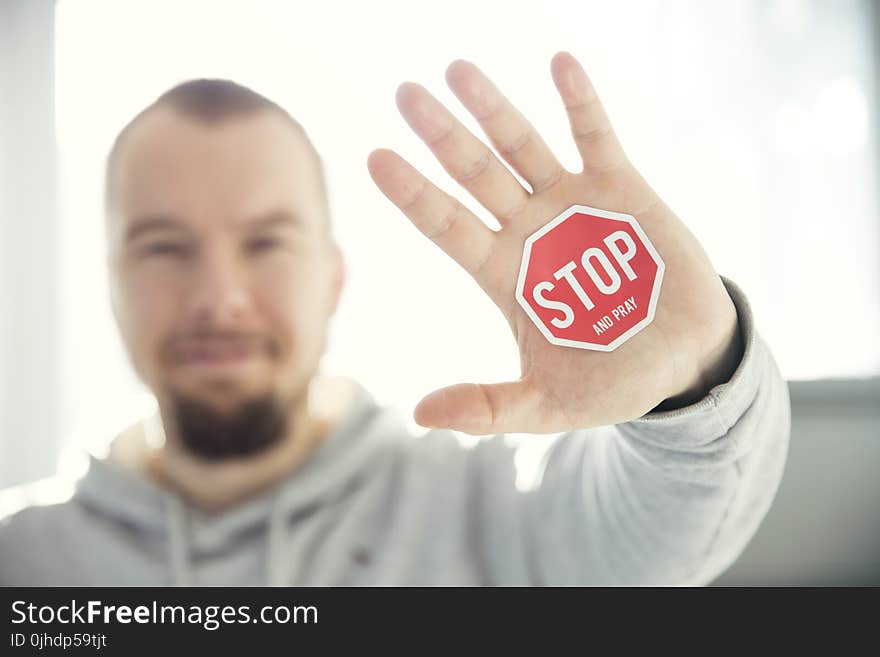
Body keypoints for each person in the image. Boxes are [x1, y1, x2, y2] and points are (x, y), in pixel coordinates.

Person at [0, 52, 790, 585]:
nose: (219, 298)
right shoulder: (22, 560)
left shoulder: (486, 509)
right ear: (110, 283)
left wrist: (693, 383)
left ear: (334, 278)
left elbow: (669, 533)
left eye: (266, 243)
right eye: (164, 248)